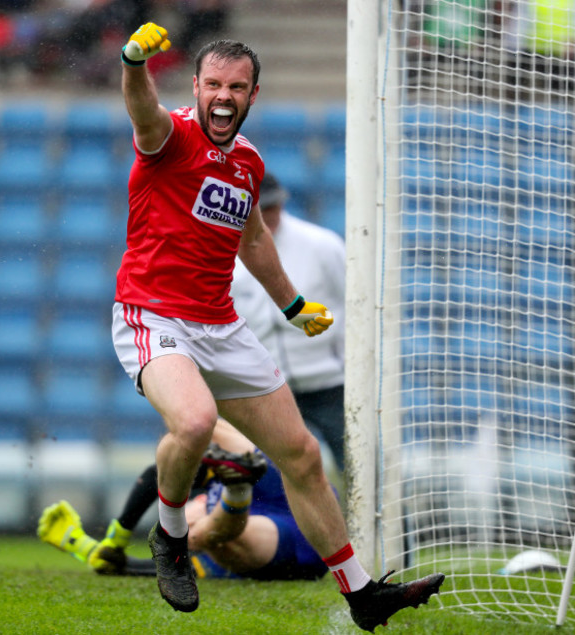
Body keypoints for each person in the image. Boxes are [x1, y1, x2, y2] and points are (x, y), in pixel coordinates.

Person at [112, 21, 444, 631]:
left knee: (302, 455)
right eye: (213, 83)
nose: (223, 95)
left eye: (236, 87)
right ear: (196, 86)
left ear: (251, 95)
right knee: (193, 421)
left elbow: (255, 239)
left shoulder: (248, 164)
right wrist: (134, 61)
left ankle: (362, 593)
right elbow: (141, 110)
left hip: (221, 324)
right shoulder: (171, 135)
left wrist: (292, 306)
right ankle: (171, 539)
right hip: (153, 314)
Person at [38, 419, 330, 582]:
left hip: (300, 538)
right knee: (182, 517)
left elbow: (222, 528)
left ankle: (108, 558)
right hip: (252, 514)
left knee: (199, 533)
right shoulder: (205, 432)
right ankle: (111, 557)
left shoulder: (227, 440)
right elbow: (160, 476)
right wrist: (117, 538)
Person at [231, 172, 346, 472]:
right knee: (261, 473)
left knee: (355, 465)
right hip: (269, 387)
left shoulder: (323, 245)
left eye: (273, 207)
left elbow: (352, 306)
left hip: (330, 384)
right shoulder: (226, 255)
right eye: (261, 209)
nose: (269, 215)